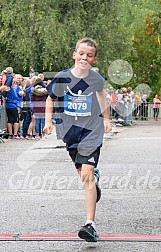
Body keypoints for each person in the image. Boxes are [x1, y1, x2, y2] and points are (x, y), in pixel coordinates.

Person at [44, 37, 111, 242]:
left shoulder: (96, 78)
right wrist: (48, 121)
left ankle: (90, 224)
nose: (84, 57)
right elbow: (50, 98)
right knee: (84, 175)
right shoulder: (63, 77)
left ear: (93, 59)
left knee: (87, 177)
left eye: (89, 55)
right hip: (71, 132)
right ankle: (94, 178)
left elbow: (101, 96)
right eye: (81, 53)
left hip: (91, 131)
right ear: (74, 55)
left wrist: (106, 119)